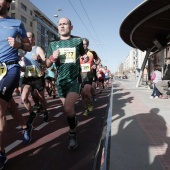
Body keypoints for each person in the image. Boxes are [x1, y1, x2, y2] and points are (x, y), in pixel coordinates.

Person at [45, 17, 88, 150]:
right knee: (69, 111)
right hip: (60, 81)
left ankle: (72, 133)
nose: (62, 26)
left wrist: (84, 57)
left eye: (65, 24)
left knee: (68, 108)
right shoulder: (52, 44)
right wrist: (53, 58)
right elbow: (46, 64)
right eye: (60, 24)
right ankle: (74, 122)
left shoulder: (77, 40)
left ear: (71, 27)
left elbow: (83, 54)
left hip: (74, 80)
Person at [0, 0, 32, 169]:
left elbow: (29, 46)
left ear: (8, 3)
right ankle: (26, 126)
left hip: (9, 67)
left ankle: (0, 153)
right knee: (10, 106)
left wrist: (19, 44)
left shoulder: (16, 23)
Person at [21, 32, 48, 124]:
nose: (27, 39)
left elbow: (45, 62)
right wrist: (20, 68)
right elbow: (26, 66)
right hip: (28, 76)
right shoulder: (24, 50)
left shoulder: (38, 49)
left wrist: (39, 59)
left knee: (41, 97)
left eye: (29, 37)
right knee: (24, 98)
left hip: (37, 77)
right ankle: (31, 113)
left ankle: (45, 111)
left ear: (33, 39)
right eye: (26, 37)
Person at [80, 38, 100, 116]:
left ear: (87, 44)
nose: (83, 45)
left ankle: (90, 101)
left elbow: (98, 59)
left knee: (86, 91)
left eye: (85, 44)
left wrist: (95, 64)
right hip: (80, 75)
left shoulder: (92, 52)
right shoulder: (78, 52)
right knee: (82, 94)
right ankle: (86, 108)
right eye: (82, 44)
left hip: (89, 74)